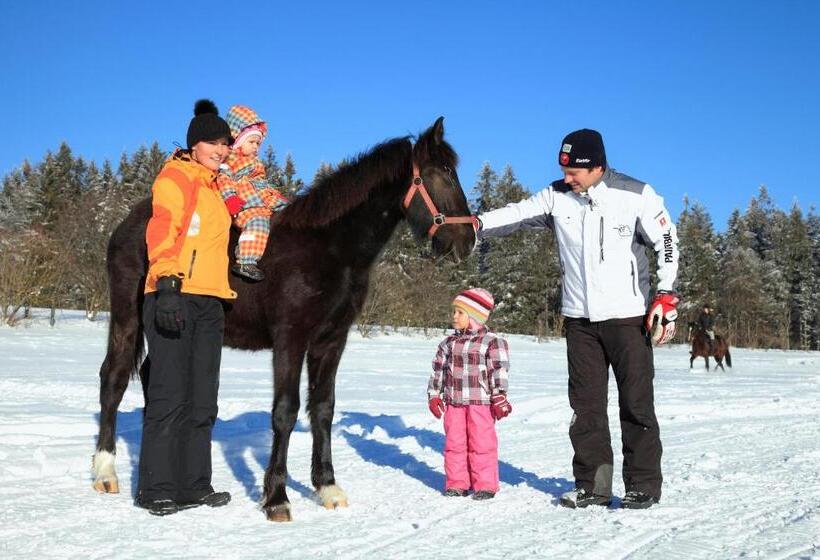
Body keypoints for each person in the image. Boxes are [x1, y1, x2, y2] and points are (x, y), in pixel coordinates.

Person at [476, 129, 680, 509]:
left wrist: (666, 294)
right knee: (585, 407)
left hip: (628, 318)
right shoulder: (556, 196)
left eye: (574, 172)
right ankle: (593, 485)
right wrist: (475, 223)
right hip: (579, 320)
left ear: (597, 166)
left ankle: (643, 485)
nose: (566, 178)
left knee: (636, 405)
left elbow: (667, 242)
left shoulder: (636, 195)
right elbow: (518, 213)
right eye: (564, 170)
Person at [138, 99, 238, 516]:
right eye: (214, 143)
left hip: (210, 301)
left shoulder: (218, 188)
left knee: (202, 399)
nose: (222, 150)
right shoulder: (176, 177)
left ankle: (195, 484)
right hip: (173, 294)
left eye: (226, 144)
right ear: (195, 144)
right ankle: (157, 487)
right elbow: (164, 228)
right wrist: (167, 283)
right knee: (169, 395)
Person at [427, 288, 512, 500]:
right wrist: (434, 395)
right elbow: (438, 370)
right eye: (454, 311)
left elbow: (499, 370)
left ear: (474, 317)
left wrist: (499, 395)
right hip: (454, 402)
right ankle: (457, 483)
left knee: (481, 444)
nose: (454, 316)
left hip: (480, 403)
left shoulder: (491, 342)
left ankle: (485, 485)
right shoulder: (448, 344)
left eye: (460, 312)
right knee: (454, 444)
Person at [217, 104, 288, 282]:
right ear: (237, 139)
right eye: (252, 142)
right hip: (245, 206)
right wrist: (230, 198)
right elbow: (224, 180)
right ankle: (245, 261)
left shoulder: (254, 163)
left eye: (258, 143)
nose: (256, 146)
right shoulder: (229, 161)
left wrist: (276, 197)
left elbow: (261, 184)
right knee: (258, 223)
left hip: (260, 199)